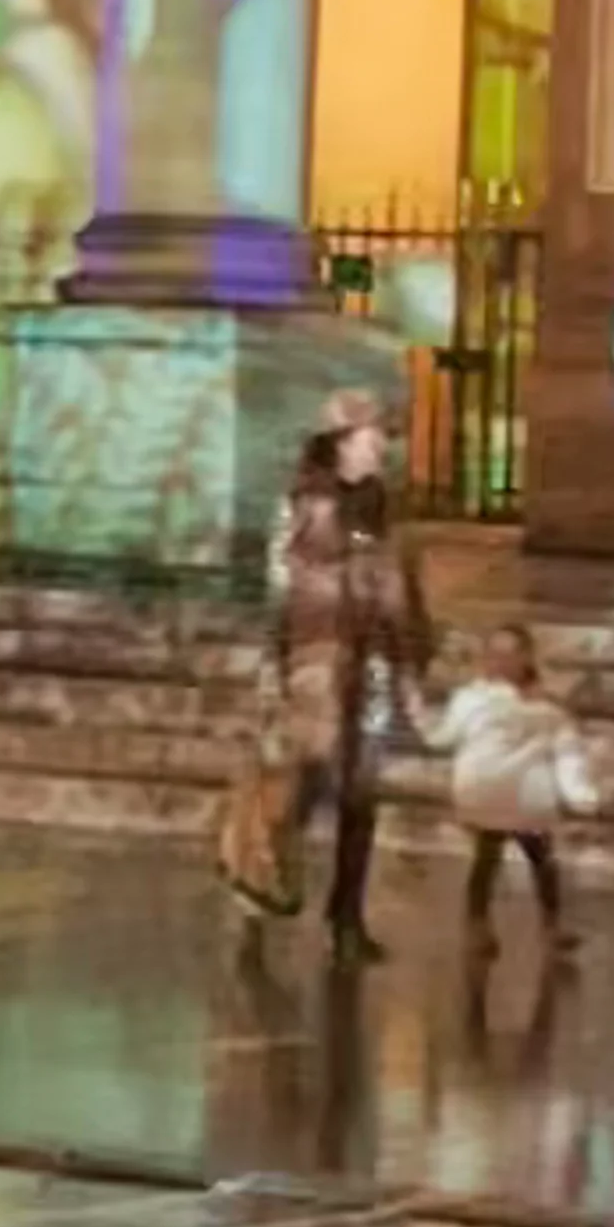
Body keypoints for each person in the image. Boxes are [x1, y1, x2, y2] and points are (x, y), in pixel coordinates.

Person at [258, 410, 430, 957]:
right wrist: (274, 664)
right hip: (318, 661)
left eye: (383, 436)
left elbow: (400, 589)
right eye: (372, 434)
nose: (381, 445)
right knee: (307, 781)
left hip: (371, 662)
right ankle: (262, 881)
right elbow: (284, 590)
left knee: (362, 789)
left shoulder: (384, 508)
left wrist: (408, 664)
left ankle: (347, 914)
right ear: (342, 441)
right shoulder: (305, 507)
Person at [432, 619, 587, 963]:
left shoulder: (541, 698)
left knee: (540, 858)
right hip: (494, 792)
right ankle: (479, 925)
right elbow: (451, 736)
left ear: (526, 657)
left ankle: (550, 925)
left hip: (526, 795)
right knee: (488, 857)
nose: (501, 662)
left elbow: (559, 738)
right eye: (495, 654)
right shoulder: (476, 697)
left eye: (509, 654)